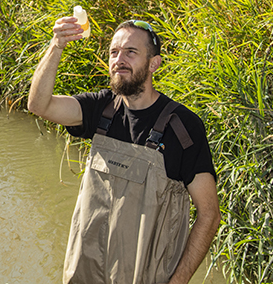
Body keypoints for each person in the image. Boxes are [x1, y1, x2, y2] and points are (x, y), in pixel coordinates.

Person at [27, 16, 221, 284]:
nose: (119, 59)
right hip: (86, 274)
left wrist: (179, 280)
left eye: (131, 52)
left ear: (154, 63)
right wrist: (57, 45)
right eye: (114, 53)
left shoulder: (183, 127)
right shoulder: (101, 109)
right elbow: (39, 105)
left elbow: (209, 214)